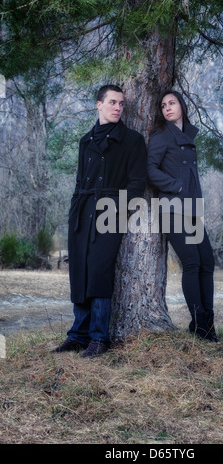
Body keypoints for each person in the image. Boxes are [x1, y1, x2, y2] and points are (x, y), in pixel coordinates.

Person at [52, 85, 147, 357]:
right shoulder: (85, 140)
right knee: (79, 270)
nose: (118, 107)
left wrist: (117, 210)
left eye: (121, 104)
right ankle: (77, 335)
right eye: (112, 102)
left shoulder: (132, 140)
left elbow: (137, 183)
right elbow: (80, 181)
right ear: (99, 105)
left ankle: (98, 338)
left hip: (110, 213)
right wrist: (74, 211)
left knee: (99, 272)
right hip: (82, 211)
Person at [147, 89, 218, 342]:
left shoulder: (188, 135)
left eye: (172, 103)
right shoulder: (162, 135)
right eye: (163, 105)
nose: (167, 108)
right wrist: (175, 186)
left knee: (207, 263)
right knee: (192, 262)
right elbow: (150, 169)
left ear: (182, 106)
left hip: (193, 210)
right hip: (172, 209)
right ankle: (200, 325)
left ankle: (207, 322)